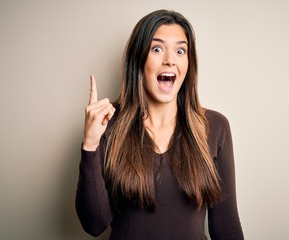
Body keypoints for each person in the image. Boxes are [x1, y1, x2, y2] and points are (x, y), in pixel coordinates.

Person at [75, 9, 244, 240]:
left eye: (180, 50)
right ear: (139, 59)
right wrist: (90, 145)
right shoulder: (108, 124)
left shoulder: (215, 127)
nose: (170, 60)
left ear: (188, 63)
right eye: (157, 48)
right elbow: (94, 225)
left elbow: (227, 228)